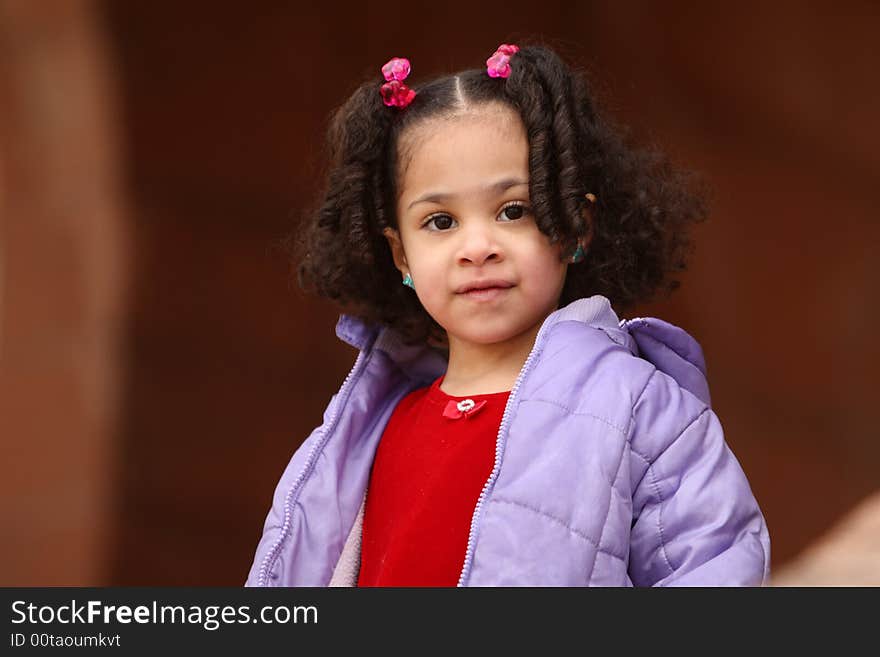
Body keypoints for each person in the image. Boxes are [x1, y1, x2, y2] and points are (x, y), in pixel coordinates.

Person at [245, 43, 770, 587]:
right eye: (440, 221)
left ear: (575, 226)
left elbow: (715, 568)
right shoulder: (370, 424)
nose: (477, 247)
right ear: (401, 254)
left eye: (512, 211)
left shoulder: (639, 406)